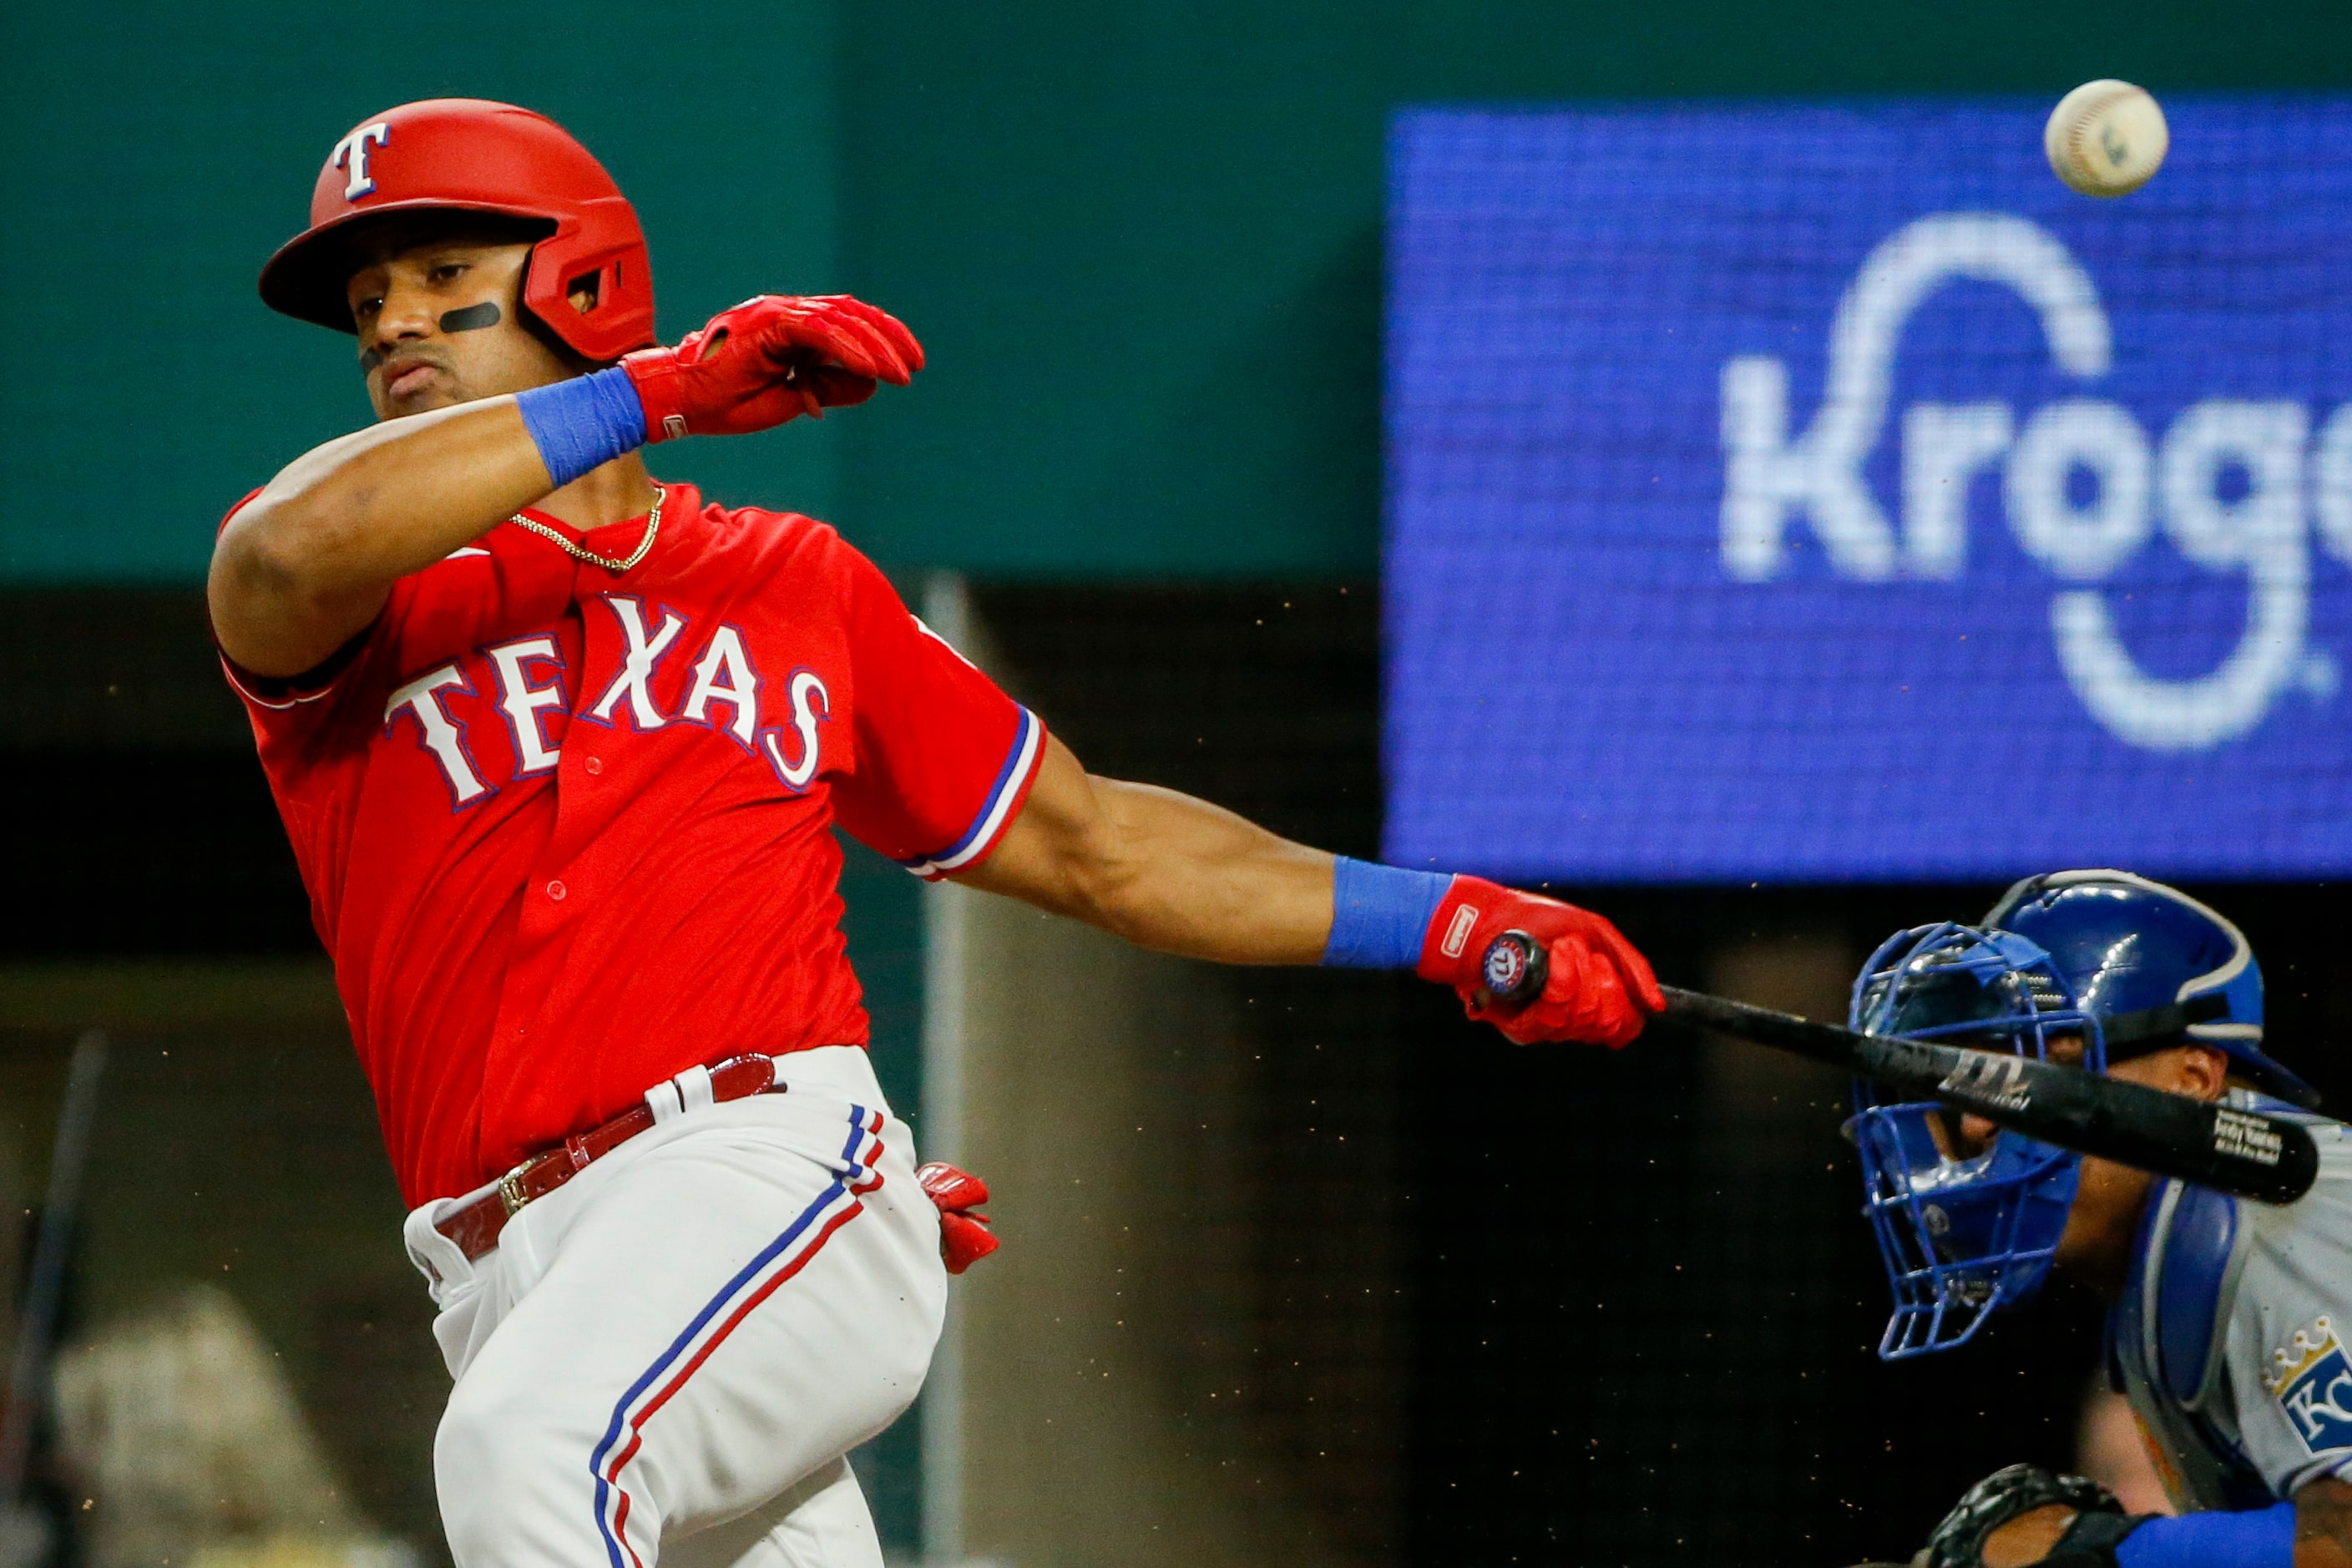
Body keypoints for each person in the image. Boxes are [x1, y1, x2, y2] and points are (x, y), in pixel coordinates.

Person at [206, 99, 1662, 1568]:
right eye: (365, 299)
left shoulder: (790, 582)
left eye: (443, 269)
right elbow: (281, 549)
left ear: (579, 278)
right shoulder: (355, 587)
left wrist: (1442, 918)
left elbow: (1099, 845)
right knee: (541, 1435)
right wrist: (659, 389)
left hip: (748, 1160)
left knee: (530, 1452)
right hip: (504, 1269)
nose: (394, 317)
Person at [1839, 870, 2352, 1568]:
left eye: (2034, 1073)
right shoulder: (2168, 1251)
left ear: (2193, 1080)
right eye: (1972, 1081)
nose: (1980, 1122)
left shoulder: (2282, 1204)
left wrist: (2084, 1554)